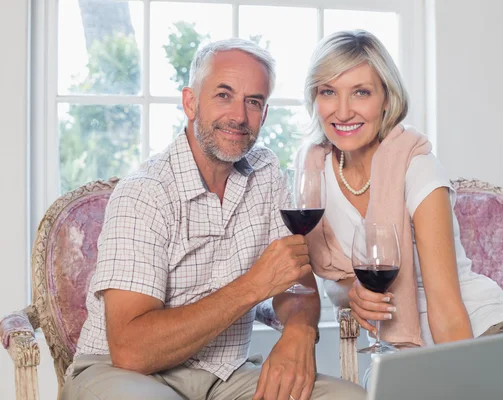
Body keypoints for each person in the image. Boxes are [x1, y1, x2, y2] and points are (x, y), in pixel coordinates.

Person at [61, 38, 366, 400]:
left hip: (224, 376)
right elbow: (131, 350)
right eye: (224, 95)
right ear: (190, 102)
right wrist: (253, 286)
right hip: (120, 373)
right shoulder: (145, 193)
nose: (239, 116)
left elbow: (296, 284)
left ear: (264, 114)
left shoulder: (266, 173)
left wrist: (299, 332)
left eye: (253, 101)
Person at [297, 30, 503, 387]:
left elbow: (447, 308)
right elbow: (338, 278)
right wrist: (353, 294)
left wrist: (461, 388)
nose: (342, 111)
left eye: (361, 92)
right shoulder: (314, 172)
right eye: (328, 91)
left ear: (386, 98)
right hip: (402, 351)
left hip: (476, 333)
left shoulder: (418, 167)